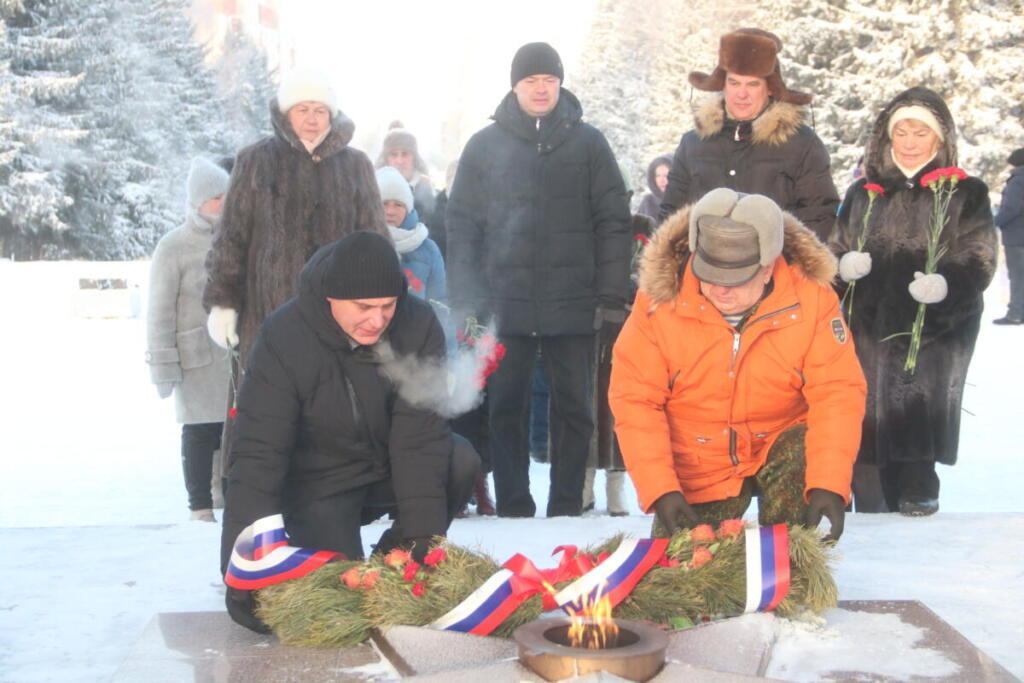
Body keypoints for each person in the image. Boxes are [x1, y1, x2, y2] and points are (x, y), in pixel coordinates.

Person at [221, 231, 479, 633]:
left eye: (388, 305)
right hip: (317, 484)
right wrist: (243, 566)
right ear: (332, 298)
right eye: (364, 307)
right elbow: (259, 451)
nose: (377, 320)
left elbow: (420, 440)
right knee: (341, 600)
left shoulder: (417, 325)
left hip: (387, 467)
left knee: (459, 459)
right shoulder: (284, 335)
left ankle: (396, 560)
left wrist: (421, 543)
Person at [610, 188, 866, 540]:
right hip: (699, 460)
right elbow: (635, 399)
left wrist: (828, 482)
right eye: (709, 274)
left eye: (735, 278)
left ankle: (788, 547)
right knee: (685, 567)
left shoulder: (812, 300)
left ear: (767, 268)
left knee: (799, 455)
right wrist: (661, 489)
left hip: (781, 446)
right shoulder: (657, 303)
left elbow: (837, 392)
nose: (721, 289)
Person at [447, 42, 631, 518]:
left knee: (575, 410)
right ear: (515, 86)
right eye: (531, 81)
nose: (541, 89)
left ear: (560, 83)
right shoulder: (484, 147)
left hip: (573, 300)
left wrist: (611, 292)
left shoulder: (588, 144)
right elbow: (462, 227)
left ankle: (567, 506)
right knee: (506, 407)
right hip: (504, 303)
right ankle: (514, 505)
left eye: (549, 80)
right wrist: (467, 299)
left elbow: (613, 219)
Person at [830, 87, 998, 516]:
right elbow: (833, 249)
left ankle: (920, 483)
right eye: (901, 133)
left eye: (920, 133)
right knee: (869, 409)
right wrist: (842, 266)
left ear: (939, 138)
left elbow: (980, 255)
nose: (909, 143)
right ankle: (874, 495)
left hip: (936, 327)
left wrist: (947, 284)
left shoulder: (965, 192)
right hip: (868, 326)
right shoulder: (863, 193)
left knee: (919, 401)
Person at [204, 67, 387, 363]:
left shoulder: (355, 165)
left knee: (332, 389)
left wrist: (377, 304)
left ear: (331, 115)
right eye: (303, 110)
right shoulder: (254, 161)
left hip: (338, 321)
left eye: (320, 110)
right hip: (266, 314)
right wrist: (223, 302)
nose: (312, 119)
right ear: (286, 113)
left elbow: (376, 242)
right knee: (271, 388)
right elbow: (231, 238)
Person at [658, 29, 839, 241]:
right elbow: (671, 216)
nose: (742, 94)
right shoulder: (693, 143)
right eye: (734, 82)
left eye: (753, 84)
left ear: (770, 88)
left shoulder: (802, 144)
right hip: (702, 261)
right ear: (723, 85)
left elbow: (819, 215)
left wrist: (780, 255)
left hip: (776, 260)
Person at [146, 157, 232, 522]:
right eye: (215, 198)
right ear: (198, 202)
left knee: (232, 431)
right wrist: (163, 363)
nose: (223, 204)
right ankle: (200, 506)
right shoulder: (174, 245)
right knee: (200, 431)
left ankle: (229, 498)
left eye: (226, 196)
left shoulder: (238, 240)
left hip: (233, 356)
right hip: (195, 358)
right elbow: (159, 309)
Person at [376, 121, 437, 227]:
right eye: (394, 154)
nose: (400, 161)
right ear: (386, 159)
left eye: (405, 154)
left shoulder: (425, 189)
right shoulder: (374, 189)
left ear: (414, 157)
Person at [993, 147, 1024, 325]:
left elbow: (1011, 208)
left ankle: (1016, 314)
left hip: (1017, 235)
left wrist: (994, 222)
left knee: (1018, 276)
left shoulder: (1018, 180)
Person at [637, 154, 672, 220]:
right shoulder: (648, 202)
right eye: (658, 176)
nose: (662, 180)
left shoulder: (685, 201)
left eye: (666, 175)